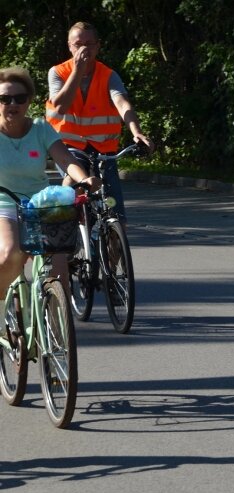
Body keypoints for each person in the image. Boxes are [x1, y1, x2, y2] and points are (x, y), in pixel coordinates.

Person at [0, 66, 99, 302]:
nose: (13, 104)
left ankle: (58, 332)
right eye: (5, 99)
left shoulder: (41, 129)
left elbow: (65, 159)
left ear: (29, 101)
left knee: (59, 273)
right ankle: (4, 312)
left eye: (19, 98)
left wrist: (83, 178)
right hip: (4, 204)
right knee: (10, 254)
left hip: (41, 205)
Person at [46, 21, 154, 225]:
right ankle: (63, 224)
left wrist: (137, 132)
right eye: (78, 44)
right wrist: (78, 71)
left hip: (104, 150)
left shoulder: (108, 75)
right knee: (76, 179)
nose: (84, 48)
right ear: (70, 46)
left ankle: (114, 244)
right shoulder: (58, 72)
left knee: (116, 214)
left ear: (98, 46)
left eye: (89, 43)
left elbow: (122, 103)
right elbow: (60, 106)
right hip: (69, 146)